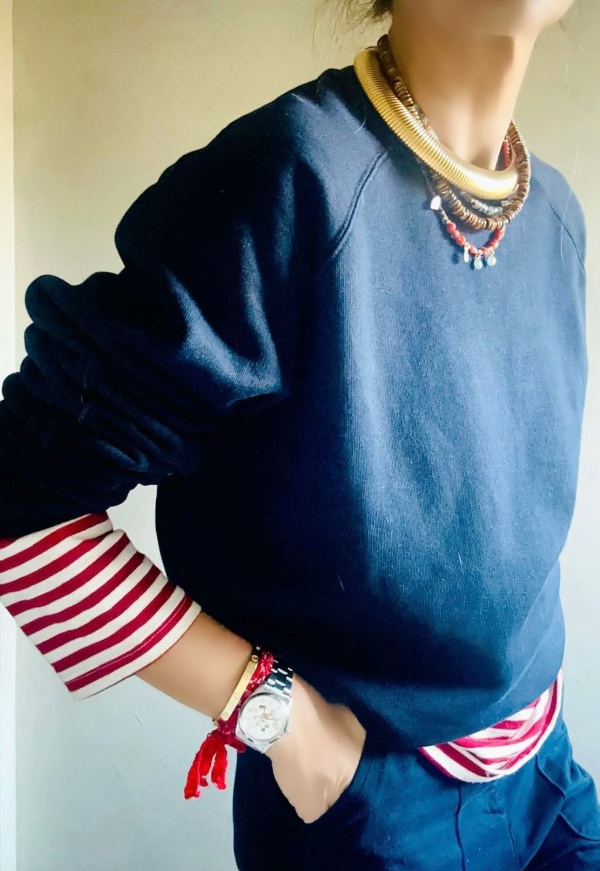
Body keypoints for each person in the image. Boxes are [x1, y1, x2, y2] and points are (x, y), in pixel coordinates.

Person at [0, 0, 598, 868]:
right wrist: (276, 714)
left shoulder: (557, 215)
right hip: (374, 809)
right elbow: (21, 500)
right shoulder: (287, 179)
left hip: (547, 765)